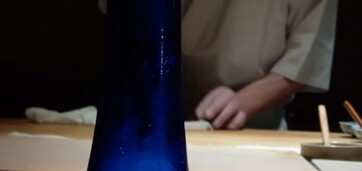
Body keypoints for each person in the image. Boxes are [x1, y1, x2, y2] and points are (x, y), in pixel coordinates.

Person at [99, 0, 338, 130]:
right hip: (157, 115)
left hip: (257, 129)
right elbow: (131, 21)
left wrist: (242, 102)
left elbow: (306, 59)